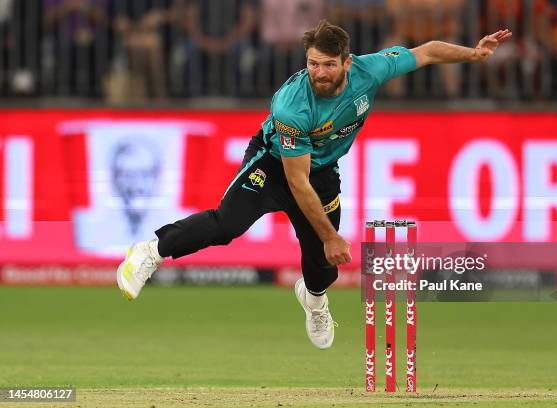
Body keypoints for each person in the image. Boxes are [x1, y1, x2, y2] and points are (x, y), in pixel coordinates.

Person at [117, 20, 511, 349]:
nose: (318, 73)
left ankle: (314, 298)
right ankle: (152, 250)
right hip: (274, 165)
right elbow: (295, 182)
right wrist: (330, 236)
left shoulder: (369, 70)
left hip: (321, 172)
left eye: (327, 65)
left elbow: (425, 51)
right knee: (227, 225)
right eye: (312, 64)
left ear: (347, 63)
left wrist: (472, 53)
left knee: (323, 269)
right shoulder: (292, 105)